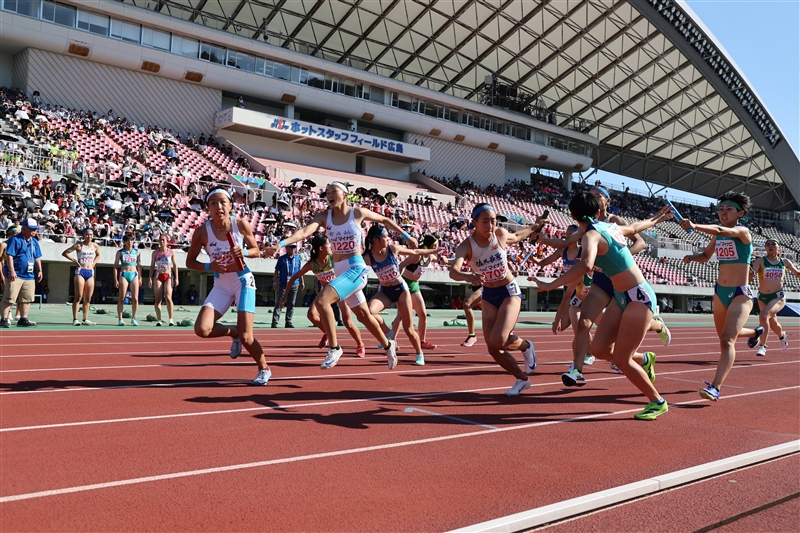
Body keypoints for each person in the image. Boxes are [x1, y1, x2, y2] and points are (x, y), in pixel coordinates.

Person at [534, 194, 674, 420]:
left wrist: (550, 284)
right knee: (598, 349)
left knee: (621, 359)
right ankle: (646, 359)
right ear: (598, 213)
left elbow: (586, 264)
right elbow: (635, 227)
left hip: (639, 297)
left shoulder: (590, 235)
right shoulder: (608, 227)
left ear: (572, 216)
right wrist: (656, 219)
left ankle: (657, 402)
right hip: (621, 296)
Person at [265, 181, 416, 370]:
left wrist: (406, 236)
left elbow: (384, 220)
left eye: (333, 191)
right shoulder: (323, 217)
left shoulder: (357, 213)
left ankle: (335, 347)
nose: (329, 195)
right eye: (326, 192)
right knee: (363, 316)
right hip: (340, 270)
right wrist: (280, 243)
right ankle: (388, 344)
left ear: (345, 195)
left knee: (322, 301)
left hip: (356, 268)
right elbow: (304, 232)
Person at [449, 204, 543, 396]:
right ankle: (522, 379)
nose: (490, 225)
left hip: (508, 291)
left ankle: (526, 346)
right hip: (489, 295)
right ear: (474, 223)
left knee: (499, 339)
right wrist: (467, 277)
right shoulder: (466, 246)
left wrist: (535, 226)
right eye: (485, 221)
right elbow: (453, 271)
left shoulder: (499, 234)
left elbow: (517, 237)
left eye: (493, 220)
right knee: (493, 348)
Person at [681, 192, 766, 401]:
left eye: (728, 209)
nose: (723, 212)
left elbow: (720, 228)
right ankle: (755, 333)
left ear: (740, 213)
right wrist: (692, 257)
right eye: (721, 209)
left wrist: (694, 225)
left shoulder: (743, 232)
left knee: (728, 340)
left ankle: (716, 387)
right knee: (724, 337)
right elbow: (706, 256)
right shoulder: (718, 236)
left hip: (740, 294)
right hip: (720, 292)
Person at [186, 188, 271, 386]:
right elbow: (190, 261)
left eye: (223, 202)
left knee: (247, 337)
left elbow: (257, 250)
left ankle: (264, 368)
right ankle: (233, 333)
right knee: (202, 329)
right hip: (221, 284)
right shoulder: (201, 232)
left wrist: (245, 253)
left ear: (231, 205)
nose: (218, 207)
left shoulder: (240, 225)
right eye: (213, 203)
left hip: (243, 282)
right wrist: (209, 266)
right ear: (208, 208)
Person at [364, 224, 441, 366]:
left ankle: (419, 354)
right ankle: (389, 333)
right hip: (385, 292)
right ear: (375, 240)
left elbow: (415, 252)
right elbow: (353, 264)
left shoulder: (392, 249)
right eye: (385, 237)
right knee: (369, 312)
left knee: (408, 329)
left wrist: (434, 250)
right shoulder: (368, 257)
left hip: (401, 290)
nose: (388, 239)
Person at [279, 232, 365, 357]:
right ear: (321, 248)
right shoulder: (312, 265)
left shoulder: (334, 259)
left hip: (339, 291)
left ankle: (360, 344)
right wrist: (283, 298)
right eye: (328, 245)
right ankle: (327, 331)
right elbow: (293, 278)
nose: (330, 246)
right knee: (311, 315)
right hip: (326, 293)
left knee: (348, 322)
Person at [388, 234, 440, 350]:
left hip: (415, 286)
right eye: (436, 245)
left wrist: (458, 260)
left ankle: (422, 341)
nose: (437, 247)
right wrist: (398, 282)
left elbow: (444, 260)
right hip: (405, 284)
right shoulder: (417, 256)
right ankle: (392, 341)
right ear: (431, 245)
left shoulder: (430, 256)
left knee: (422, 314)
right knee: (401, 316)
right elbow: (401, 265)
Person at [750, 238, 800, 356]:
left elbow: (797, 274)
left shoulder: (785, 262)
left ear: (779, 248)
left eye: (773, 244)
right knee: (773, 324)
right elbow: (752, 274)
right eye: (768, 244)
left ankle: (762, 346)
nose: (770, 246)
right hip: (762, 297)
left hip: (778, 297)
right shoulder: (760, 261)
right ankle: (782, 336)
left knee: (763, 315)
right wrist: (751, 274)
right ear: (765, 248)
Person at [0, 218, 42, 328]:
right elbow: (10, 256)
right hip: (16, 275)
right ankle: (4, 319)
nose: (35, 231)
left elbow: (37, 257)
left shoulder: (34, 241)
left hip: (29, 275)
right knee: (9, 298)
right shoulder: (15, 239)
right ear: (24, 229)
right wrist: (12, 271)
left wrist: (40, 270)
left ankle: (23, 318)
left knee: (26, 299)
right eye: (32, 229)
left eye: (36, 229)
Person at [62, 228, 100, 326]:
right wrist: (75, 261)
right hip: (80, 271)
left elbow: (98, 255)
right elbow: (65, 253)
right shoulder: (79, 245)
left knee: (88, 298)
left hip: (90, 272)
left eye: (91, 235)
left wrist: (94, 264)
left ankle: (85, 319)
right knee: (78, 296)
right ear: (83, 235)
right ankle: (75, 319)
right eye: (87, 234)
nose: (89, 236)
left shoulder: (95, 246)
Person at [149, 234, 179, 326]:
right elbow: (152, 266)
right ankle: (159, 320)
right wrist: (149, 278)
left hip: (168, 275)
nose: (161, 242)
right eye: (160, 240)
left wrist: (177, 278)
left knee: (168, 297)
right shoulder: (155, 253)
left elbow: (175, 266)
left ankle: (171, 320)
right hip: (158, 275)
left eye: (163, 240)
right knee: (158, 299)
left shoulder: (171, 252)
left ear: (167, 241)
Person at [272, 243, 303, 328]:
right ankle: (275, 322)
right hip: (283, 284)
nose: (293, 249)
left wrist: (302, 281)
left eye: (294, 247)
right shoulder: (282, 259)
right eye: (291, 247)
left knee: (291, 303)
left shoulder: (297, 258)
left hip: (295, 284)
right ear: (286, 248)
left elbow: (300, 271)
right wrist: (275, 283)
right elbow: (276, 271)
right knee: (280, 302)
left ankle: (288, 321)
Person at [114, 233, 142, 326]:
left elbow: (139, 266)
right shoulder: (120, 252)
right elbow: (115, 266)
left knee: (135, 298)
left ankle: (133, 318)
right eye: (128, 240)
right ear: (125, 242)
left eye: (132, 240)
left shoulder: (137, 252)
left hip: (134, 274)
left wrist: (140, 277)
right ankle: (120, 319)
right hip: (124, 274)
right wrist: (115, 279)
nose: (130, 242)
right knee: (122, 298)